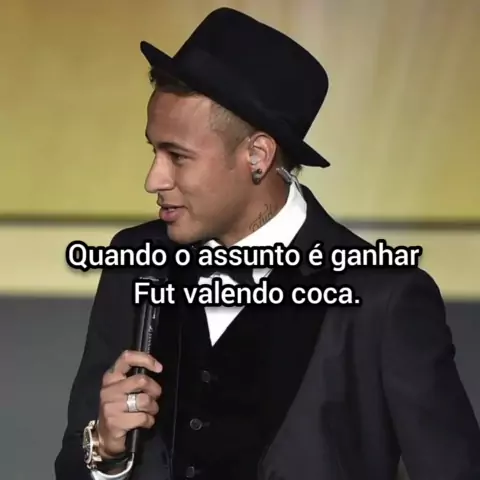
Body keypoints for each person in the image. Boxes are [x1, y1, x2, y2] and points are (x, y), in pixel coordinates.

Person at [54, 7, 480, 480]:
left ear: (257, 155)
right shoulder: (136, 262)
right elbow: (73, 463)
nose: (153, 179)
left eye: (177, 156)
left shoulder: (384, 296)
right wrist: (108, 450)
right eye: (154, 150)